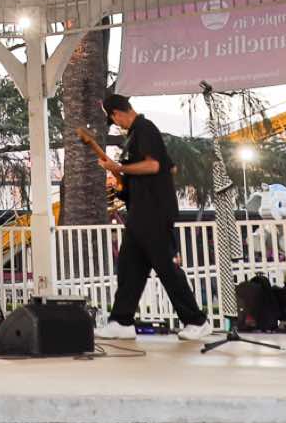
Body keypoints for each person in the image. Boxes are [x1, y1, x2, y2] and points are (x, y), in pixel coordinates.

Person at [85, 94, 211, 342]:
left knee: (166, 268)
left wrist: (120, 168)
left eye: (114, 119)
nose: (116, 124)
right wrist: (124, 184)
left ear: (116, 113)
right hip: (140, 212)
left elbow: (154, 166)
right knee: (129, 268)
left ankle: (197, 321)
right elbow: (169, 167)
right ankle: (121, 322)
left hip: (154, 213)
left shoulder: (145, 128)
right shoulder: (135, 135)